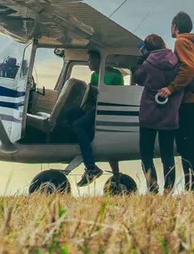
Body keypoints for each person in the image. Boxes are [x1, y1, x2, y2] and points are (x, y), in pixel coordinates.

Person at [158, 11, 194, 191]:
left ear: (175, 27)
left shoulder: (181, 42)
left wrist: (171, 88)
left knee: (186, 147)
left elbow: (189, 68)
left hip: (188, 104)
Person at [132, 34, 181, 194]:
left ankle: (152, 187)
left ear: (148, 49)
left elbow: (138, 78)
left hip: (149, 115)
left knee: (146, 154)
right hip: (169, 115)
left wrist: (142, 58)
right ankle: (169, 189)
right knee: (167, 155)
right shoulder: (176, 61)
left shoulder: (147, 63)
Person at [68, 49, 124, 186]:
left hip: (107, 110)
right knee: (70, 113)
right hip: (94, 108)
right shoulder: (94, 76)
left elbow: (118, 95)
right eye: (88, 60)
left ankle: (91, 167)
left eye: (91, 60)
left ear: (100, 60)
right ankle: (86, 141)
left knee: (78, 125)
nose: (89, 63)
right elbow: (92, 96)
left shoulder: (115, 75)